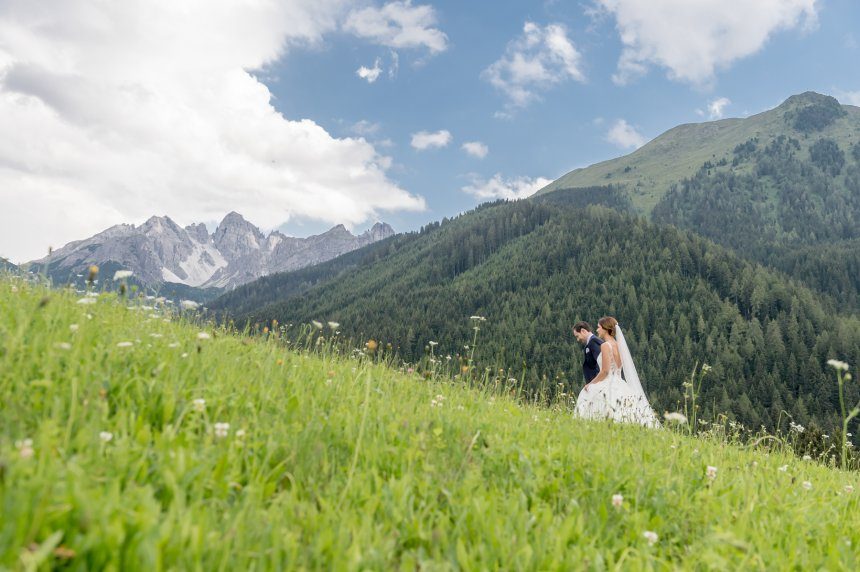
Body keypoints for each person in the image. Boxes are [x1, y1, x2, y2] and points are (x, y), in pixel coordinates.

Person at [574, 316, 659, 427]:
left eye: (599, 327)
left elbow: (605, 371)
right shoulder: (619, 346)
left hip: (608, 383)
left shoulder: (605, 345)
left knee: (585, 395)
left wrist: (590, 384)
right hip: (620, 383)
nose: (597, 330)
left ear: (606, 329)